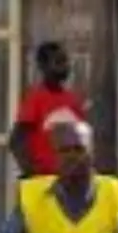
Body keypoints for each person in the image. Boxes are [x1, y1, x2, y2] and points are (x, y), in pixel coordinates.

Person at [9, 41, 87, 177]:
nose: (65, 67)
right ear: (43, 66)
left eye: (65, 62)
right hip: (43, 179)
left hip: (70, 180)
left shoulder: (73, 100)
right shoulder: (35, 98)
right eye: (58, 62)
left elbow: (81, 141)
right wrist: (31, 171)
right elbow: (16, 140)